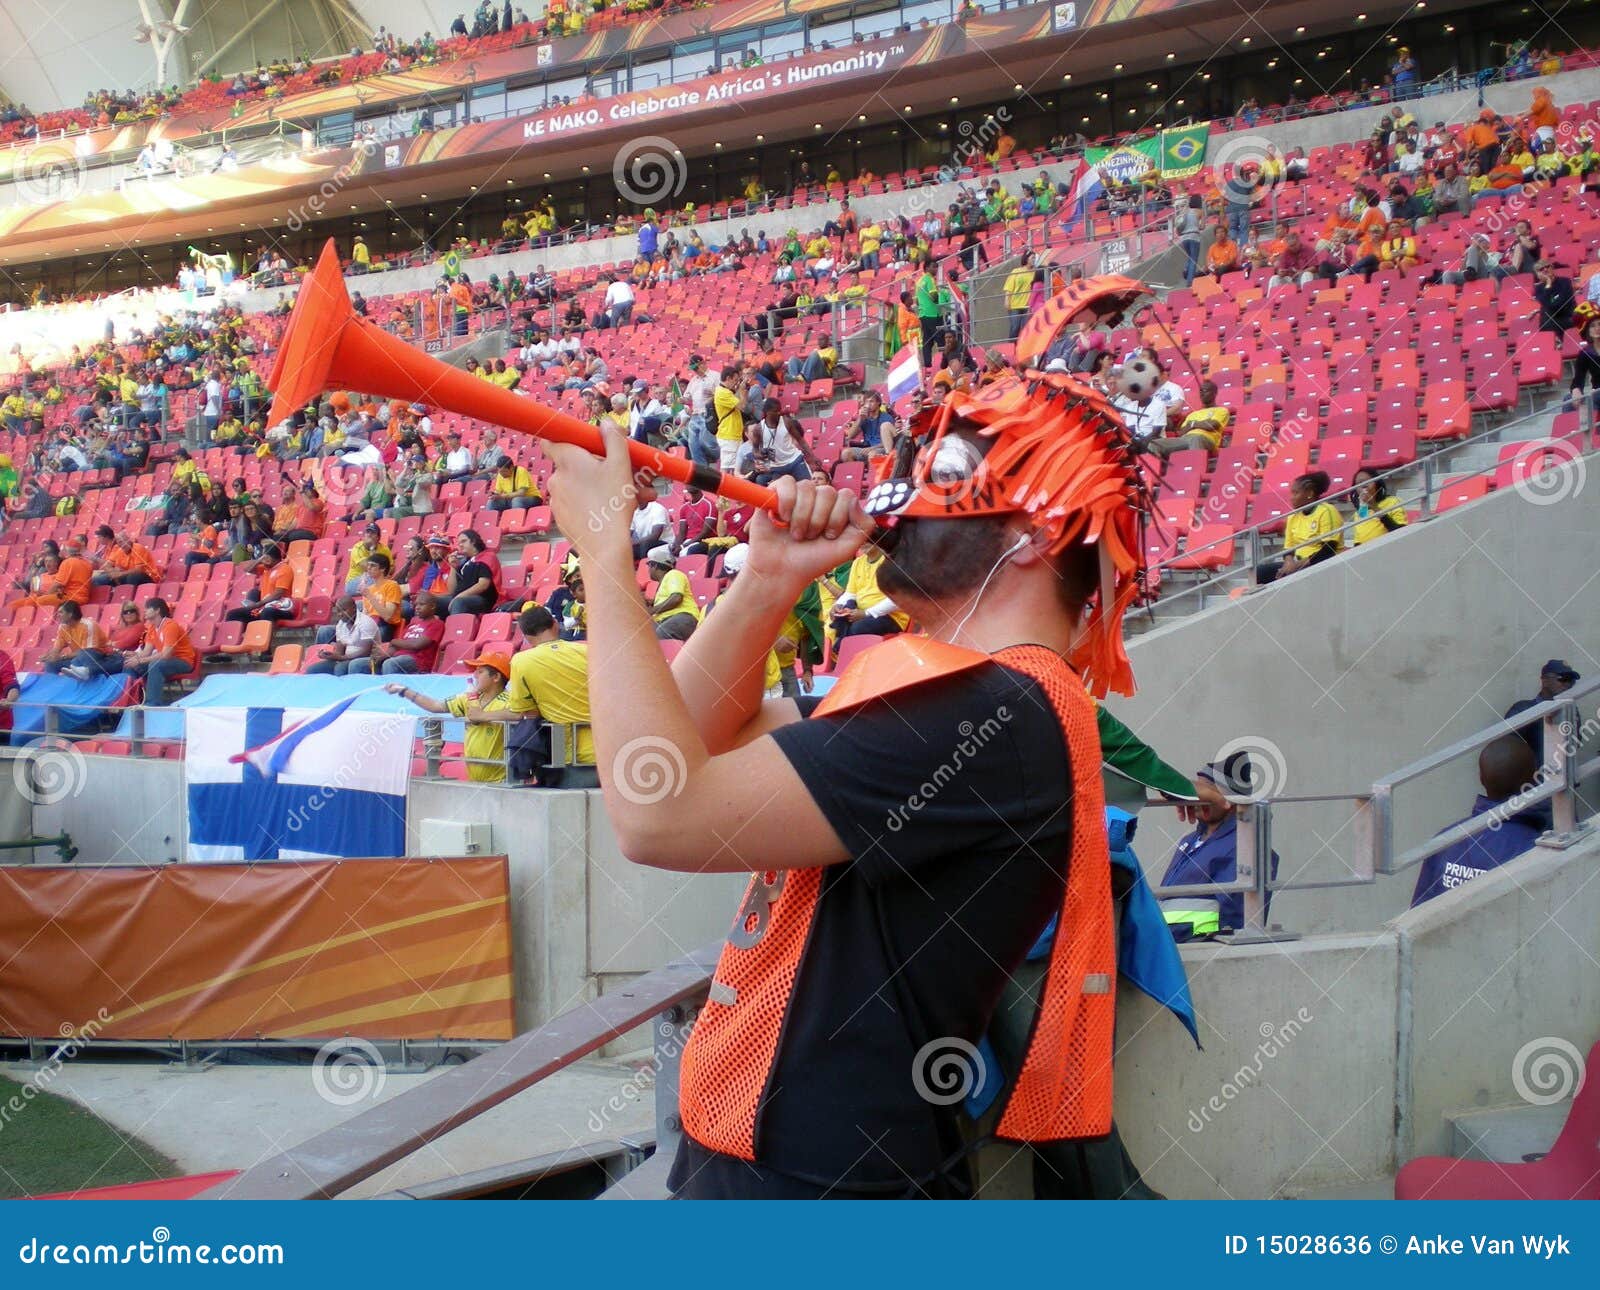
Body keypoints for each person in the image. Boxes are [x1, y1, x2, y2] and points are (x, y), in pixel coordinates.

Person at [539, 372, 1148, 1198]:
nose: (905, 496)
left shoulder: (1000, 711)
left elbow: (657, 813)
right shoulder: (956, 692)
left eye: (946, 471)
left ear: (1039, 530)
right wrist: (767, 580)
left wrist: (603, 552)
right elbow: (687, 745)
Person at [1410, 736, 1545, 906]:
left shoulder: (1444, 842)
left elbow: (1416, 917)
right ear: (1534, 779)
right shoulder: (1535, 848)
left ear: (1481, 778)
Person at [1159, 755, 1281, 934]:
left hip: (1194, 946)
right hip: (1167, 942)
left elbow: (1229, 922)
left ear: (1229, 799)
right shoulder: (1189, 841)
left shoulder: (1246, 848)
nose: (1196, 798)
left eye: (1205, 791)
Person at [387, 652, 511, 783]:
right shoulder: (469, 697)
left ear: (496, 677)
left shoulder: (509, 700)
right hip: (473, 780)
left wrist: (484, 716)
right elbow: (435, 706)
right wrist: (404, 691)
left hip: (502, 781)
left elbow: (519, 714)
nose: (474, 675)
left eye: (480, 672)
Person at [504, 605, 596, 783]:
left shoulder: (521, 661)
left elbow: (525, 711)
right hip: (606, 748)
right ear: (555, 624)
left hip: (565, 755)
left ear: (526, 636)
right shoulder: (587, 651)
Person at [1256, 471, 1343, 582]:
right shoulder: (1293, 516)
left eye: (1295, 493)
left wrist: (1297, 566)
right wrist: (1289, 564)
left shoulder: (1327, 511)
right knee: (1260, 573)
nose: (1291, 498)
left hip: (1322, 563)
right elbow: (1288, 549)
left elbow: (1328, 550)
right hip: (1299, 563)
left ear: (1309, 493)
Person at [1505, 658, 1581, 766]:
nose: (1567, 684)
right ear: (1545, 680)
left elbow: (1575, 744)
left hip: (1565, 779)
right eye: (1563, 679)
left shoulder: (1571, 711)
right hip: (1534, 780)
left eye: (1571, 681)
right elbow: (1508, 746)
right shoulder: (1523, 708)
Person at [123, 598, 196, 706]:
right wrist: (134, 657)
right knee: (129, 664)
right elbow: (146, 652)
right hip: (166, 661)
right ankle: (131, 701)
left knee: (155, 665)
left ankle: (152, 704)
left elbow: (166, 655)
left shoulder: (170, 626)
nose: (144, 611)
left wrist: (140, 660)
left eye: (148, 608)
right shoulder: (152, 628)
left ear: (157, 610)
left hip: (183, 661)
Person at [371, 591, 445, 675]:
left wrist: (393, 641)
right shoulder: (413, 623)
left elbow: (416, 645)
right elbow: (397, 645)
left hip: (418, 661)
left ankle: (392, 688)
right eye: (416, 605)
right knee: (360, 663)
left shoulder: (437, 624)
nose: (417, 607)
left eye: (421, 604)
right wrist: (385, 655)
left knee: (390, 664)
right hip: (399, 657)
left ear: (432, 606)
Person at [226, 542, 297, 623]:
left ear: (272, 558)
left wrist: (257, 604)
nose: (264, 560)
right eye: (263, 557)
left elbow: (278, 594)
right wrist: (259, 560)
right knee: (233, 614)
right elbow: (247, 569)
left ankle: (265, 634)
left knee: (267, 612)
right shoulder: (265, 568)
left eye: (265, 557)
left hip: (282, 608)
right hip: (264, 607)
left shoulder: (285, 569)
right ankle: (247, 633)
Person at [40, 601, 112, 678]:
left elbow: (87, 651)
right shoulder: (62, 627)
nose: (57, 615)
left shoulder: (88, 625)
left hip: (98, 657)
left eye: (61, 612)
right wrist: (50, 656)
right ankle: (53, 687)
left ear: (70, 614)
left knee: (77, 660)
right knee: (50, 664)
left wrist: (62, 657)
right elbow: (57, 648)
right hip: (78, 658)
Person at [646, 546, 701, 641]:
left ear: (654, 566)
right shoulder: (663, 582)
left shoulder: (673, 574)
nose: (648, 570)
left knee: (661, 633)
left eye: (649, 566)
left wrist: (652, 610)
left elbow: (676, 598)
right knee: (644, 637)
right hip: (664, 620)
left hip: (683, 616)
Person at [1350, 469, 1408, 545]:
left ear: (1377, 483)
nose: (1363, 486)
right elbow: (1358, 542)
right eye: (1359, 484)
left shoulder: (1393, 501)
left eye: (1366, 482)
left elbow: (1400, 532)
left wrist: (1375, 507)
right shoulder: (1359, 512)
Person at [448, 530, 499, 615]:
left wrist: (459, 597)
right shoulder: (465, 562)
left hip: (483, 599)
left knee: (459, 602)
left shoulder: (487, 557)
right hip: (460, 598)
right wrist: (453, 567)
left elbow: (483, 585)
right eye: (459, 542)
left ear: (473, 541)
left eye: (463, 541)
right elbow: (451, 590)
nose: (460, 545)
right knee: (431, 601)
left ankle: (457, 628)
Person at [1533, 260, 1576, 334]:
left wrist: (1547, 305)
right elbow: (1547, 303)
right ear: (1537, 275)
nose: (1545, 269)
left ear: (1552, 268)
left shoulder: (1565, 282)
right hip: (1551, 321)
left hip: (1566, 317)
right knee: (1546, 321)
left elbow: (1558, 305)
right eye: (1541, 269)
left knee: (1547, 319)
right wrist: (1548, 285)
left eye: (1547, 266)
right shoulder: (1538, 288)